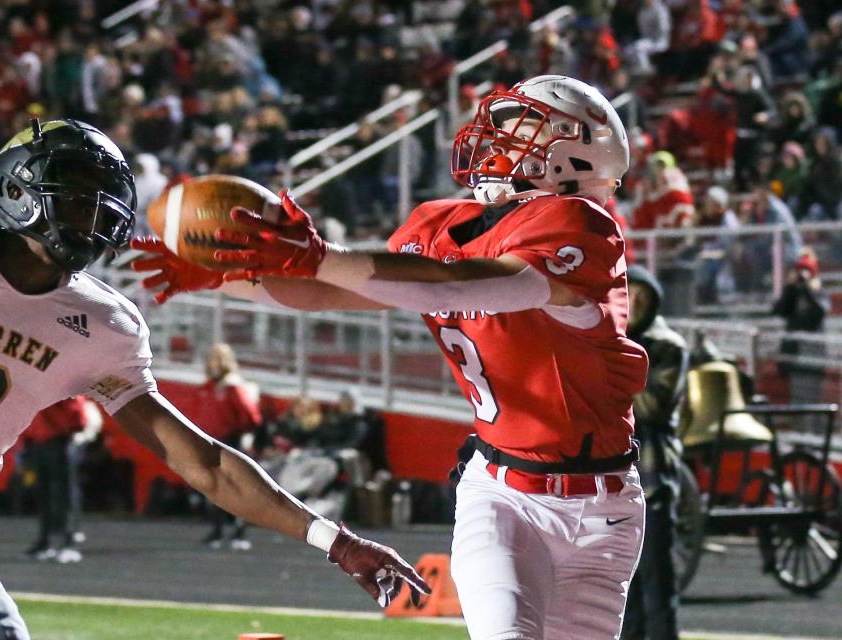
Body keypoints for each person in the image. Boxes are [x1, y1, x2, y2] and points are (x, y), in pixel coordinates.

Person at [134, 75, 649, 640]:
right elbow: (328, 290)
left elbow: (456, 286)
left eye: (523, 129)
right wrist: (223, 276)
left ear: (580, 151)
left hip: (607, 507)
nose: (500, 141)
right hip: (503, 493)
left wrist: (321, 256)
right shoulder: (440, 224)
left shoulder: (582, 224)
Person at [0, 118, 429, 639]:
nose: (91, 218)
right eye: (75, 197)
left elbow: (205, 462)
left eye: (101, 204)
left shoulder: (101, 325)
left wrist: (337, 541)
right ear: (18, 189)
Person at [622, 266, 689, 640]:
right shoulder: (613, 342)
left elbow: (651, 408)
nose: (634, 304)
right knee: (624, 592)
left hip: (654, 482)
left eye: (642, 299)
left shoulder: (669, 346)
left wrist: (610, 372)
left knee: (657, 588)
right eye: (629, 295)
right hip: (617, 481)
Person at [195, 342, 262, 550]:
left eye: (218, 358)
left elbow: (251, 418)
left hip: (231, 443)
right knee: (214, 488)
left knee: (236, 489)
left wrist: (243, 437)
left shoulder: (233, 387)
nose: (214, 362)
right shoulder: (208, 387)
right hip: (211, 442)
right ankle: (217, 530)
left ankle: (238, 532)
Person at [23, 395, 90, 563]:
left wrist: (59, 428)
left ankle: (69, 543)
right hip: (41, 441)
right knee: (44, 495)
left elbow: (77, 415)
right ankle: (45, 541)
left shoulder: (61, 384)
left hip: (60, 441)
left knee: (65, 495)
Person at [772, 249, 831, 428]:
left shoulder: (819, 294)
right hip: (795, 357)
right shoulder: (793, 293)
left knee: (811, 401)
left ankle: (812, 438)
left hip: (812, 357)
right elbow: (779, 310)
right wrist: (791, 288)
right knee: (797, 401)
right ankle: (800, 438)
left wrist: (807, 290)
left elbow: (819, 313)